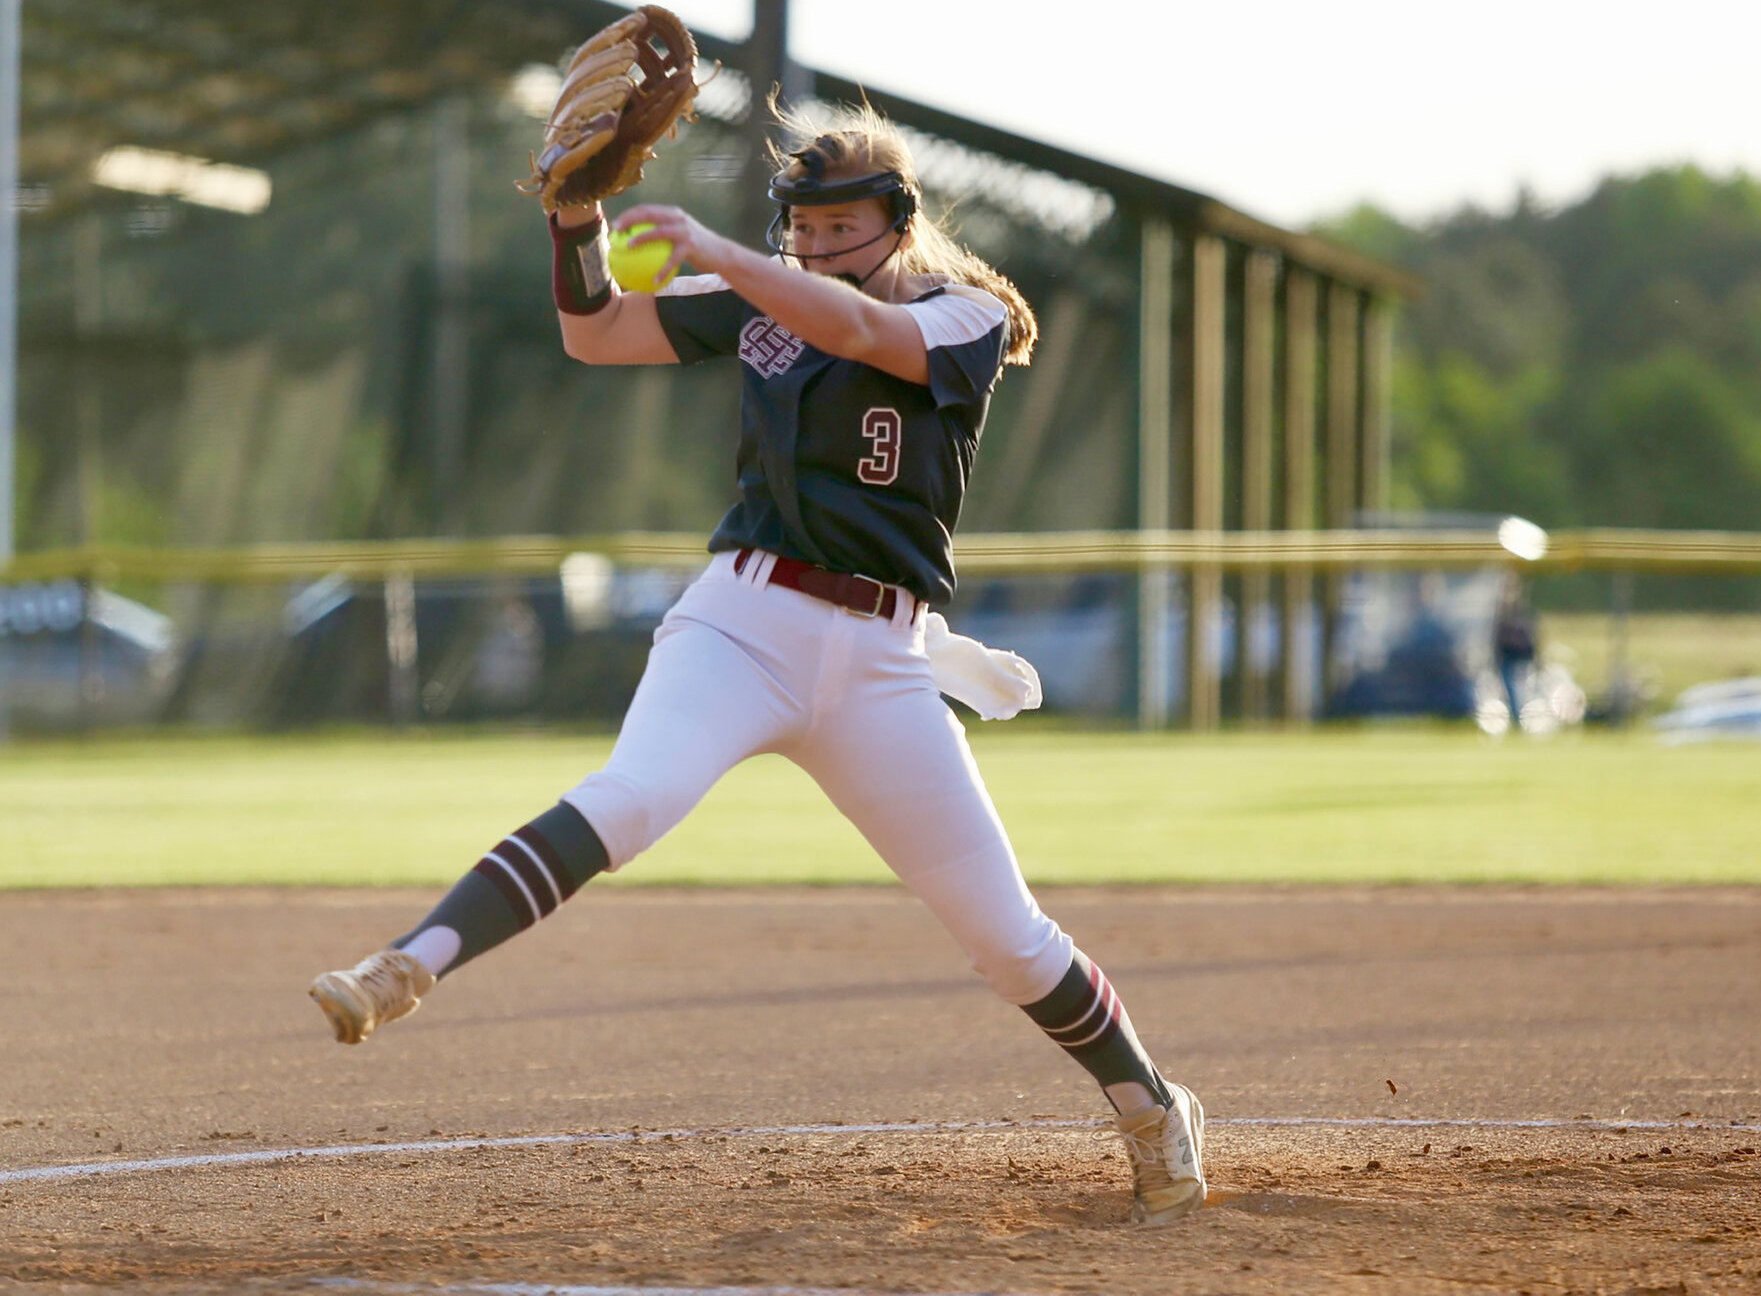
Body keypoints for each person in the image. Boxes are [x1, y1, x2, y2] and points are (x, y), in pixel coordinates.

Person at [307, 100, 1207, 1224]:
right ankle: (404, 965)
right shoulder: (764, 295)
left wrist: (728, 255)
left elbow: (864, 337)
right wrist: (576, 219)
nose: (820, 243)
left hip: (880, 661)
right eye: (805, 227)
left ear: (898, 218)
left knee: (1003, 934)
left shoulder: (964, 313)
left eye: (844, 225)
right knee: (629, 797)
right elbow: (594, 329)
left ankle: (1150, 1105)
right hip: (740, 623)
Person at [1492, 576, 1540, 729]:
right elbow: (1497, 637)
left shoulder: (1524, 612)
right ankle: (1516, 719)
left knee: (1522, 689)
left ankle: (1523, 720)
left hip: (1522, 657)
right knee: (1509, 689)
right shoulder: (1501, 613)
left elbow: (1533, 636)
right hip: (1507, 656)